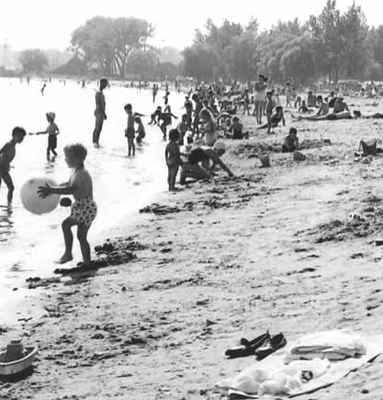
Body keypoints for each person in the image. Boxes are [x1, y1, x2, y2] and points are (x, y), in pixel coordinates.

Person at [38, 143, 97, 266]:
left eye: (68, 157)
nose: (65, 159)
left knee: (66, 225)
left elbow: (71, 189)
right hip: (85, 206)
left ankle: (68, 254)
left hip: (85, 207)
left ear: (78, 159)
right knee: (81, 236)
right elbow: (67, 184)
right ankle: (87, 262)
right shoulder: (76, 171)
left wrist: (52, 190)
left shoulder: (82, 174)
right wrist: (54, 187)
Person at [0, 127, 26, 204]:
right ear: (14, 135)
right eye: (20, 136)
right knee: (11, 187)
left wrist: (8, 165)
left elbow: (5, 157)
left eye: (23, 137)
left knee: (11, 188)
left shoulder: (12, 146)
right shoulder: (8, 145)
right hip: (1, 169)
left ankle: (9, 205)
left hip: (4, 169)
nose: (22, 139)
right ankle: (9, 206)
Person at [92, 78, 108, 148]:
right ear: (102, 83)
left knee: (98, 128)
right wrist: (103, 113)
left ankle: (95, 142)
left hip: (99, 112)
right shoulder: (99, 93)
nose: (106, 85)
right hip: (99, 112)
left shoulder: (100, 92)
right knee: (98, 128)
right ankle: (95, 142)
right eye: (105, 84)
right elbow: (98, 104)